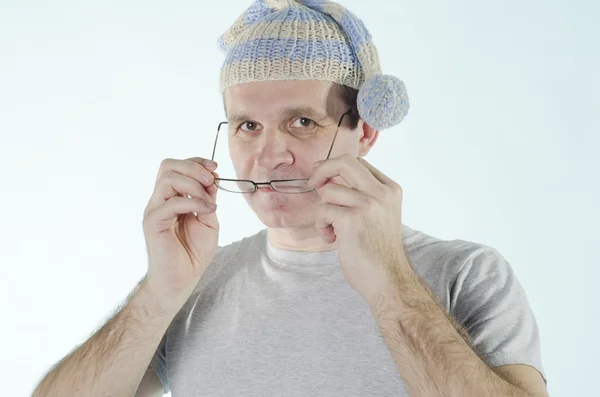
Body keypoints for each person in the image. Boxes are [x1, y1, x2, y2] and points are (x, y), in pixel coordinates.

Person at [32, 1, 549, 396]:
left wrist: (390, 286)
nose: (268, 155)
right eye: (247, 126)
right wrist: (159, 293)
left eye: (301, 122)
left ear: (366, 130)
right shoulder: (194, 283)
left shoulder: (468, 274)